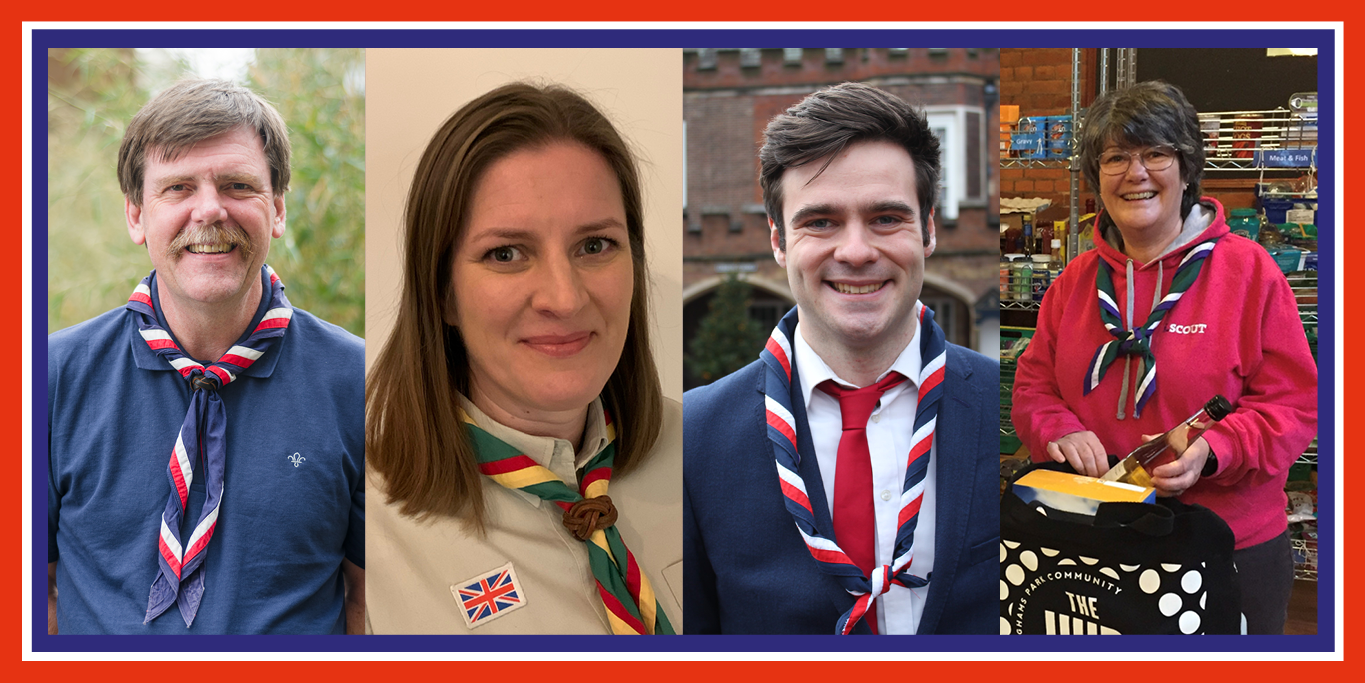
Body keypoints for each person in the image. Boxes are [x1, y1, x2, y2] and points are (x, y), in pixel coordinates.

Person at [46, 79, 365, 634]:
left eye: (238, 185)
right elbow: (34, 594)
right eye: (177, 188)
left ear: (279, 210)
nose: (210, 210)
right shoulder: (47, 380)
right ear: (136, 216)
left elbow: (367, 601)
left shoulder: (361, 382)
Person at [683, 82, 1000, 635]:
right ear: (779, 240)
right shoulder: (694, 435)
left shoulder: (1008, 407)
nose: (855, 251)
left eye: (885, 218)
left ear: (927, 229)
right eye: (820, 221)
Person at [364, 82, 681, 635]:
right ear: (441, 292)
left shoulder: (717, 458)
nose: (564, 297)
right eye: (506, 253)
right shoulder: (356, 525)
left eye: (595, 245)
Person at [1011, 81, 1318, 635]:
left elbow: (1294, 404)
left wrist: (1216, 448)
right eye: (1116, 157)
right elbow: (1034, 386)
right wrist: (1055, 428)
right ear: (1096, 175)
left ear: (1187, 167)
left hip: (1224, 542)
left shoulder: (1249, 273)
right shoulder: (1073, 282)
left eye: (1156, 153)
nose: (1136, 173)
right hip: (1095, 535)